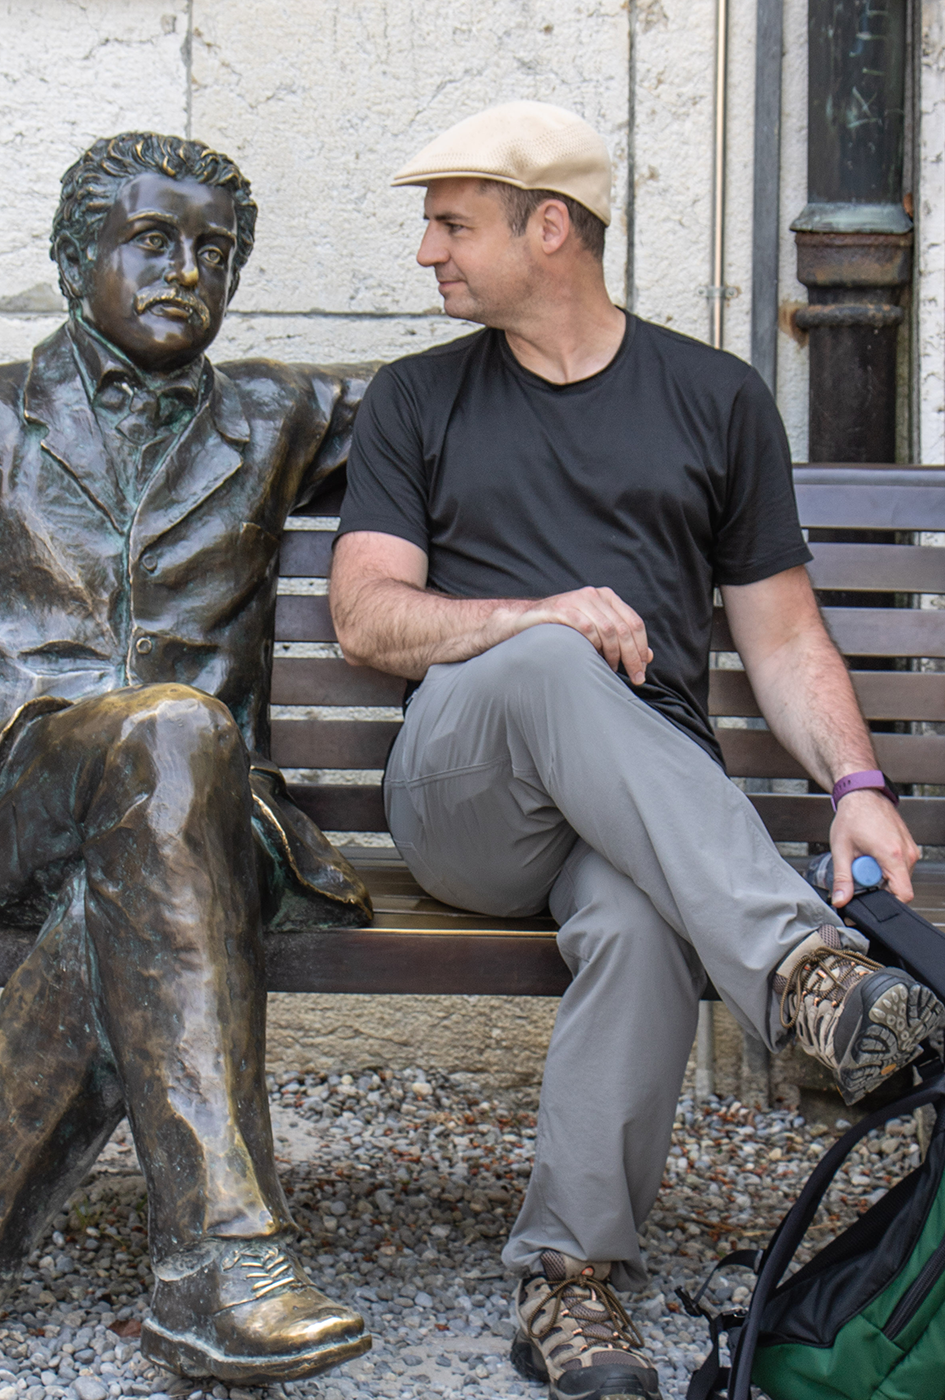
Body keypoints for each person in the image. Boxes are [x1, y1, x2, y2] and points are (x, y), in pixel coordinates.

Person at [328, 100, 943, 1400]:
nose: (426, 253)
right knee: (549, 660)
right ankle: (803, 977)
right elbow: (366, 615)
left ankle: (567, 1282)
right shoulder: (416, 399)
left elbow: (781, 639)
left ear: (548, 228)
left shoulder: (712, 398)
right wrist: (528, 617)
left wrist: (854, 788)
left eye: (450, 224)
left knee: (642, 927)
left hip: (629, 803)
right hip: (467, 796)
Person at [0, 131, 375, 1400]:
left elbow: (480, 399)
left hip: (199, 834)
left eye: (214, 253)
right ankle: (223, 1260)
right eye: (151, 241)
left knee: (148, 833)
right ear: (68, 257)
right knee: (169, 732)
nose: (185, 273)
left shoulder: (275, 413)